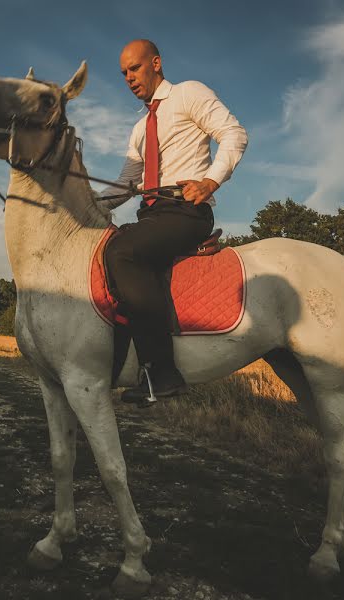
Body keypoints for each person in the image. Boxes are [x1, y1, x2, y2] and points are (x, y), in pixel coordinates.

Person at [101, 39, 248, 404]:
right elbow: (124, 185)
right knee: (108, 245)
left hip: (186, 212)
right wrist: (82, 204)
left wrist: (211, 180)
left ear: (156, 63)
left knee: (122, 252)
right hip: (152, 215)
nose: (129, 78)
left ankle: (162, 372)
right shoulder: (139, 130)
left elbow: (234, 134)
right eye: (123, 73)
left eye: (134, 68)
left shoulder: (188, 94)